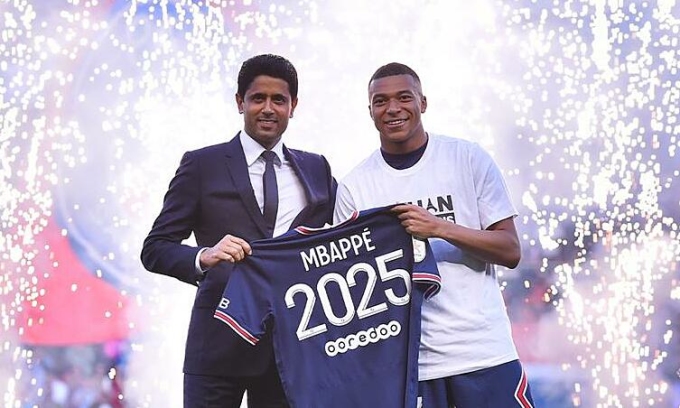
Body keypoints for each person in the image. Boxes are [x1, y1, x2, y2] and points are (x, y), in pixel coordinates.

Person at [333, 62, 535, 408]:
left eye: (404, 97)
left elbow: (510, 250)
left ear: (422, 103)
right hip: (413, 365)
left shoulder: (467, 158)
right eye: (380, 101)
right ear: (369, 111)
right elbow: (352, 290)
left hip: (483, 351)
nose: (393, 108)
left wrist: (439, 227)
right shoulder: (355, 186)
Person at [141, 53, 336, 408]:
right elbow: (155, 248)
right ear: (239, 102)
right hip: (217, 347)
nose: (267, 108)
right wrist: (205, 257)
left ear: (293, 106)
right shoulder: (202, 164)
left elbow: (345, 235)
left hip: (292, 349)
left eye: (279, 99)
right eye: (257, 98)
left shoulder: (317, 168)